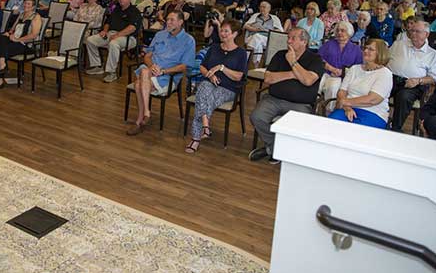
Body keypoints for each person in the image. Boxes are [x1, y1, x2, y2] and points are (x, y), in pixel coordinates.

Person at [249, 28, 325, 163]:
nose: (288, 41)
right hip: (273, 99)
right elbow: (268, 78)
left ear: (304, 42)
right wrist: (293, 74)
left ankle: (273, 150)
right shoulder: (280, 55)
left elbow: (308, 81)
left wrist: (292, 62)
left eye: (293, 38)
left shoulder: (315, 59)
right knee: (257, 117)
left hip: (301, 104)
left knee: (290, 125)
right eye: (288, 38)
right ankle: (275, 148)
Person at [126, 10, 196, 135]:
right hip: (150, 70)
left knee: (138, 84)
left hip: (167, 77)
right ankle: (146, 113)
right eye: (167, 19)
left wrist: (164, 71)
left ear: (180, 22)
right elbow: (147, 56)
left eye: (171, 20)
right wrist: (152, 66)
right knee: (145, 70)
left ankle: (140, 119)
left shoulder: (188, 40)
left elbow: (185, 66)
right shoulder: (160, 35)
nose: (167, 22)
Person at [184, 19, 248, 152]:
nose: (222, 33)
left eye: (226, 31)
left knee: (202, 98)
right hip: (209, 84)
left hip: (228, 89)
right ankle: (205, 126)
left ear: (235, 34)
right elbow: (202, 66)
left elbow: (238, 76)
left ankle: (196, 138)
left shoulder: (241, 53)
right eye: (221, 30)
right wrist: (209, 74)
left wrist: (222, 68)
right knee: (204, 89)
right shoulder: (214, 48)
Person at [387, 18, 436, 132]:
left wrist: (418, 81)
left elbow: (433, 78)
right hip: (391, 78)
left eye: (417, 31)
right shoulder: (398, 44)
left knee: (404, 97)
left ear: (426, 34)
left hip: (414, 84)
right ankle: (378, 120)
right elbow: (385, 59)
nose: (413, 33)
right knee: (378, 89)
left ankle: (395, 128)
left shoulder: (432, 54)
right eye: (412, 31)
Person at [329, 39, 393, 129]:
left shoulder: (385, 73)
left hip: (373, 113)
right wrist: (347, 107)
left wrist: (345, 102)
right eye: (365, 48)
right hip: (347, 108)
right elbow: (341, 92)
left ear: (380, 53)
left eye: (370, 49)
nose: (366, 51)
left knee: (356, 131)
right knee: (331, 124)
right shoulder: (354, 69)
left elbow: (373, 99)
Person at [0, 0, 42, 91]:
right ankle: (2, 64)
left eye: (28, 4)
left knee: (0, 52)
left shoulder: (36, 17)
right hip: (14, 40)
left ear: (33, 6)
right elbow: (12, 29)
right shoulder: (21, 15)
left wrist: (18, 40)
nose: (26, 5)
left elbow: (34, 35)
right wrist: (9, 33)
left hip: (26, 45)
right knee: (0, 36)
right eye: (25, 3)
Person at [85, 0, 142, 83]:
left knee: (113, 44)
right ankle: (97, 66)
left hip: (128, 37)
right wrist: (104, 30)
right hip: (111, 33)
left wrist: (118, 35)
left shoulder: (134, 11)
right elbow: (108, 22)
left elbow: (132, 28)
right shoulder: (117, 9)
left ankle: (112, 73)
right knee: (90, 40)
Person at [318, 21, 363, 109]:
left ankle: (329, 111)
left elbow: (359, 67)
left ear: (349, 33)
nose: (339, 33)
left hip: (345, 77)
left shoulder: (356, 49)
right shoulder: (329, 44)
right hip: (327, 72)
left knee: (333, 86)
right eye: (337, 30)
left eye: (343, 31)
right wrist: (331, 69)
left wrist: (342, 72)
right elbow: (318, 59)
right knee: (316, 83)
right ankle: (313, 108)